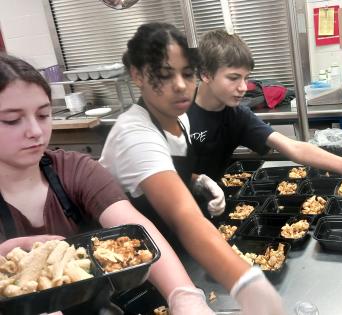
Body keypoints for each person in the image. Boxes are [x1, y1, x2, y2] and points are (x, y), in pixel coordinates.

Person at [0, 54, 214, 314]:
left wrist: (184, 295)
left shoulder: (75, 170)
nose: (34, 131)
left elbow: (135, 228)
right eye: (11, 120)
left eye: (43, 115)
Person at [99, 23, 286, 315]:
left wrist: (197, 180)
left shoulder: (179, 119)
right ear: (137, 75)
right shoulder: (134, 133)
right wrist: (249, 285)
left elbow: (171, 174)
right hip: (125, 261)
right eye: (164, 74)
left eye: (186, 74)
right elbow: (181, 213)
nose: (180, 85)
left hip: (168, 247)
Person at [187, 29, 342, 188]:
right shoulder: (176, 112)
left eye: (246, 78)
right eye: (233, 78)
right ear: (205, 74)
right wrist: (196, 181)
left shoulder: (236, 115)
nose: (243, 87)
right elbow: (159, 170)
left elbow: (295, 147)